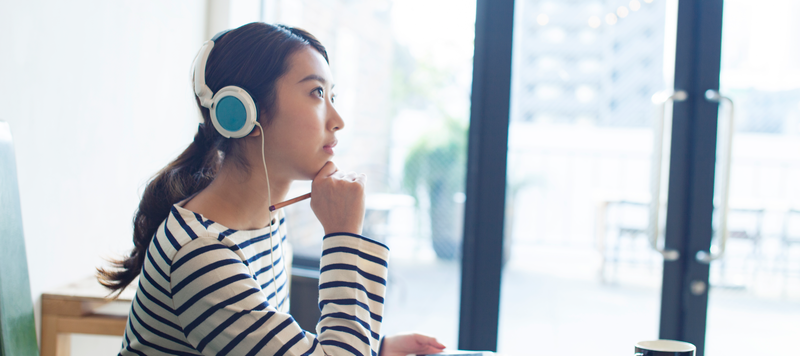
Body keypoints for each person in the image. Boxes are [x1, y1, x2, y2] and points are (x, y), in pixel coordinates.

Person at [98, 22, 446, 356]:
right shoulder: (200, 253)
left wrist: (373, 349)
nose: (338, 119)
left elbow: (271, 341)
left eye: (332, 94)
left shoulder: (266, 224)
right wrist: (343, 236)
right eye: (317, 92)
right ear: (242, 113)